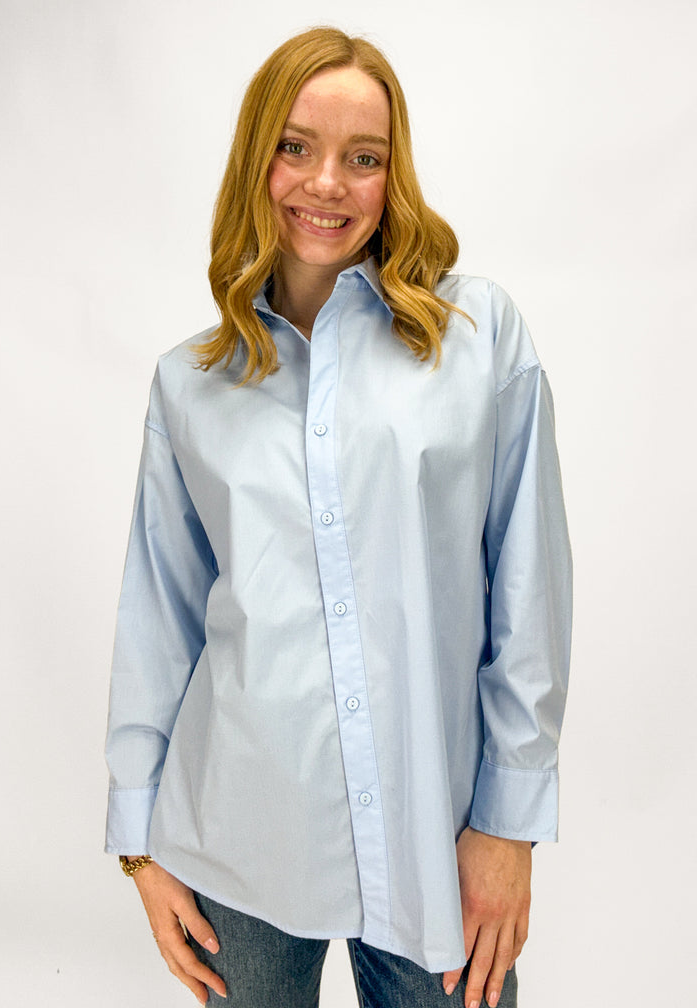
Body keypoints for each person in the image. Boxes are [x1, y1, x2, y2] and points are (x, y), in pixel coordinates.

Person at [104, 25, 571, 1008]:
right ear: (256, 159)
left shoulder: (479, 338)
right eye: (296, 146)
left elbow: (528, 594)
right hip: (236, 849)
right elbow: (162, 620)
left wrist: (508, 824)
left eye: (364, 159)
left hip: (437, 842)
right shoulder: (191, 386)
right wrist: (140, 848)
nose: (326, 183)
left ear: (393, 177)